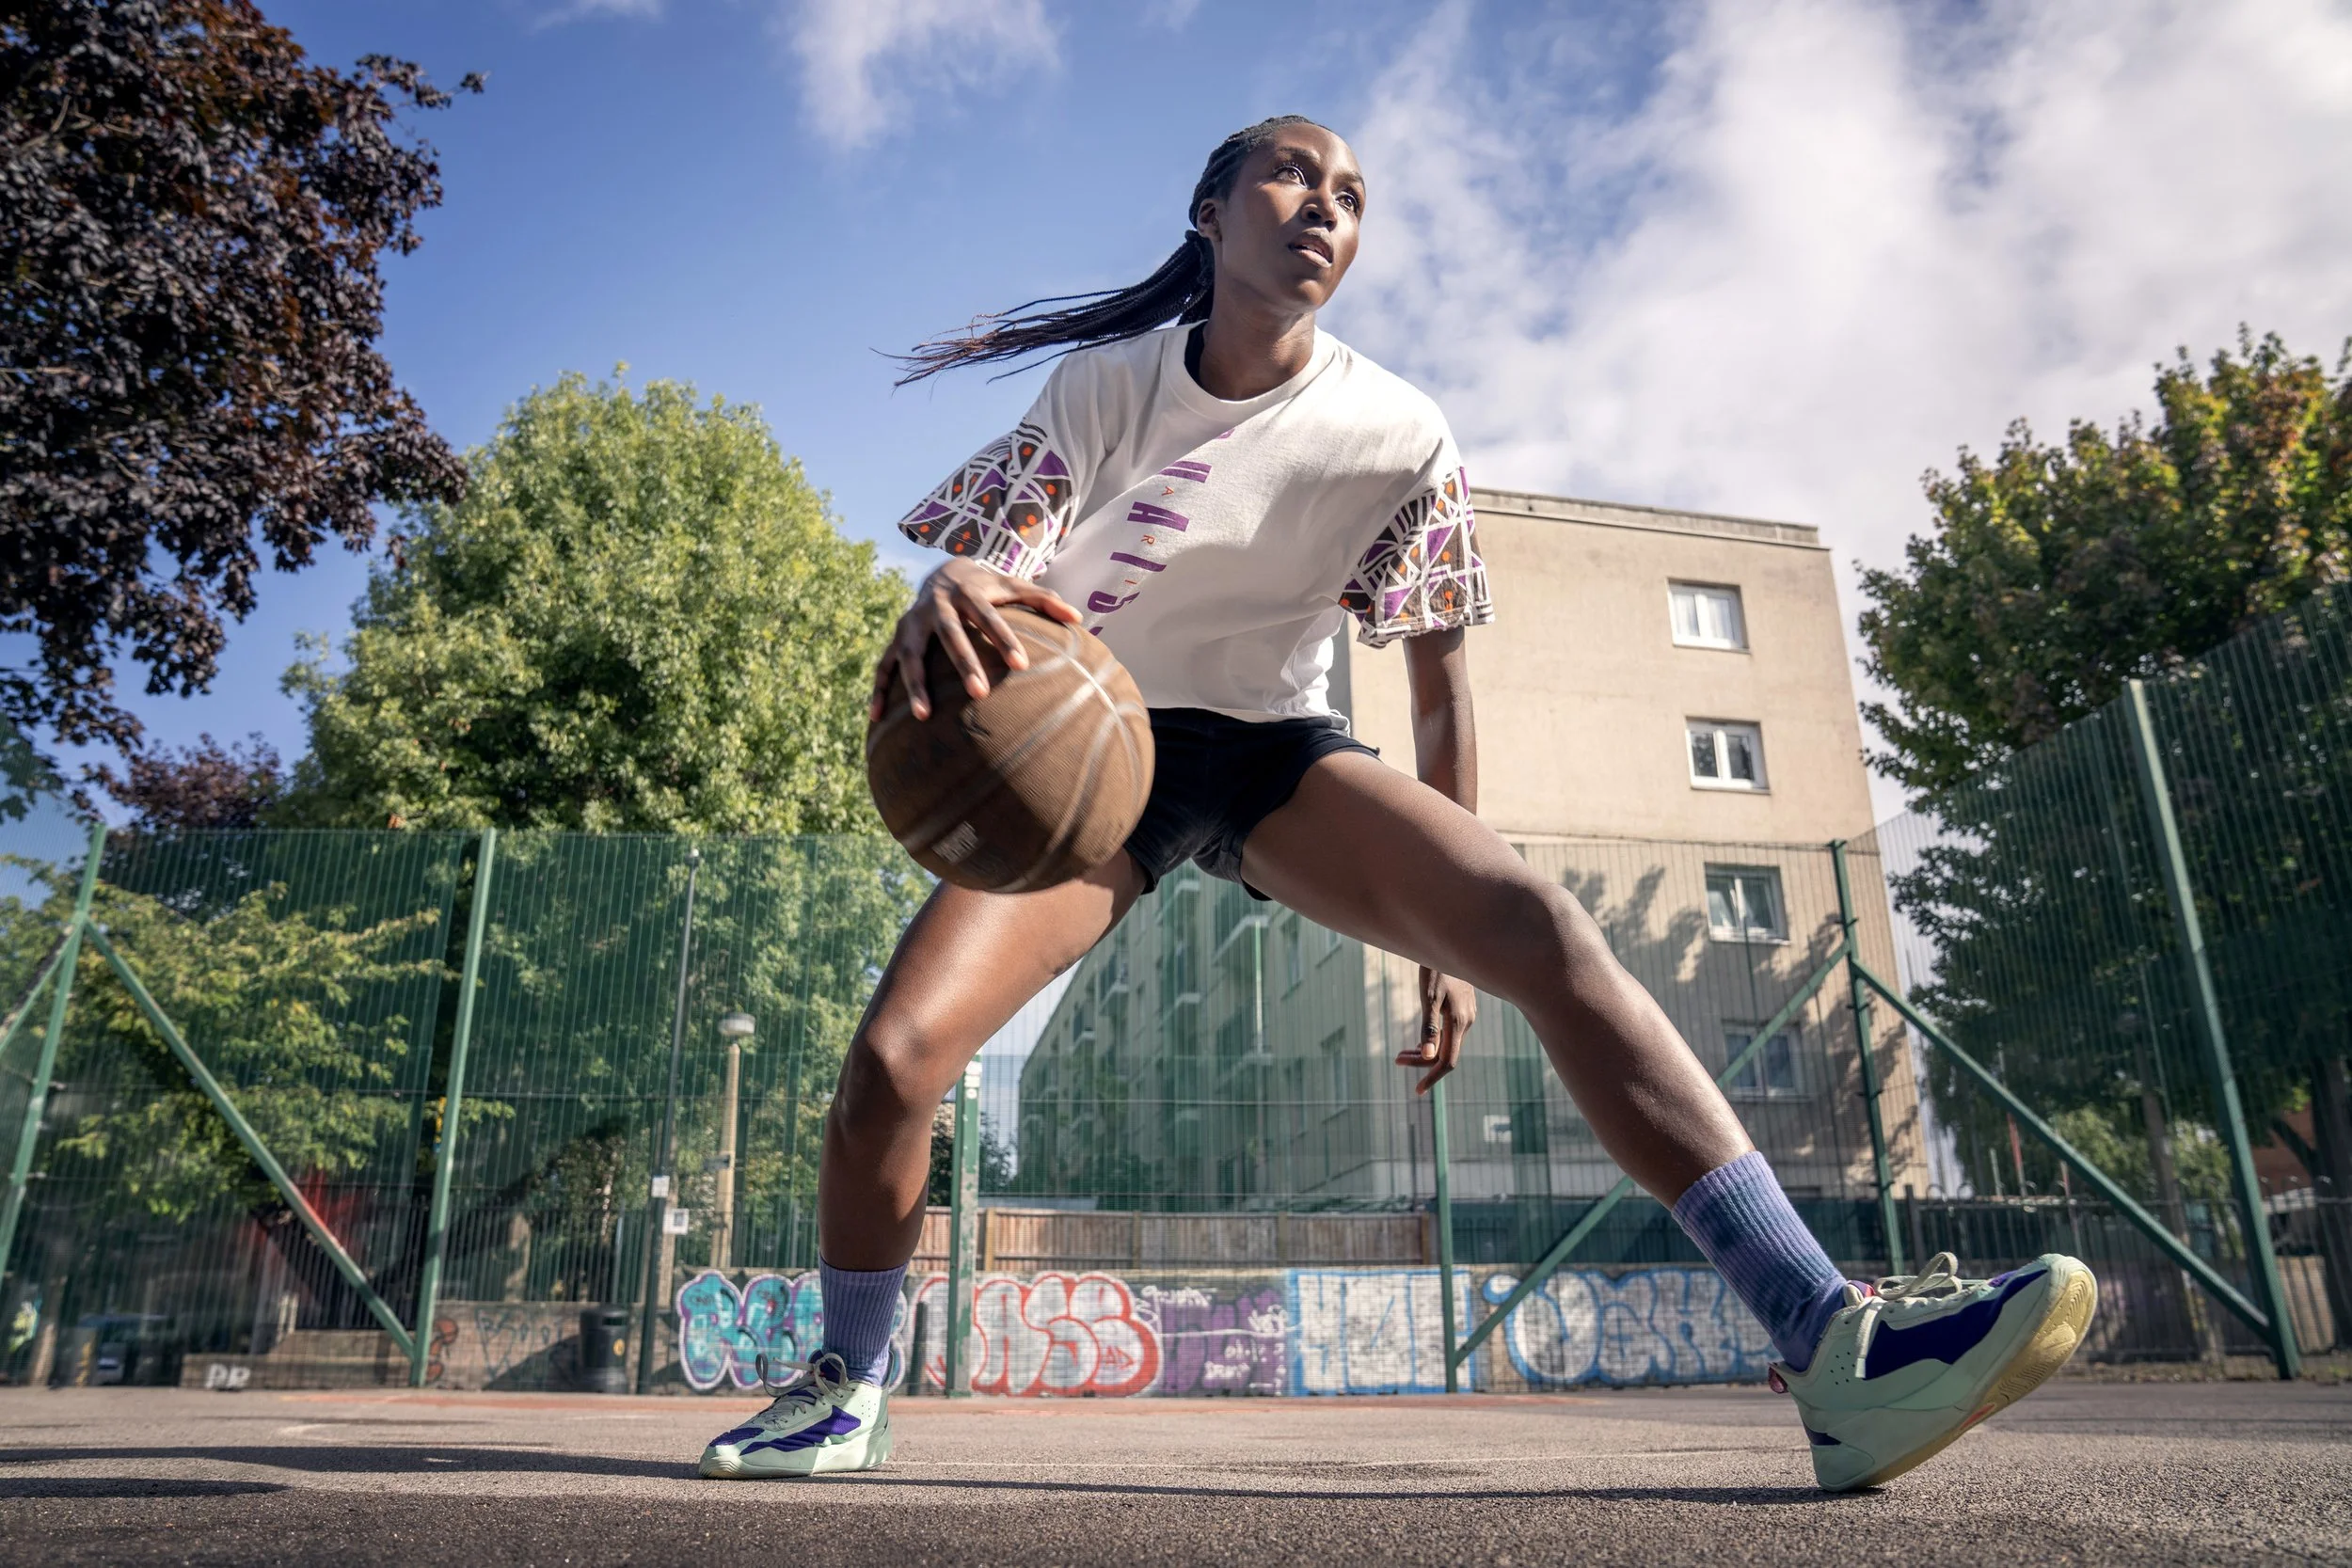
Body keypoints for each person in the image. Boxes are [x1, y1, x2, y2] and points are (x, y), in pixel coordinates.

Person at [696, 116, 2094, 1492]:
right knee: (892, 1063)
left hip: (1273, 750)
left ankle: (1832, 1343)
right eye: (1292, 174)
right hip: (1105, 752)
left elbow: (1437, 689)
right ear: (1212, 213)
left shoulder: (1399, 429)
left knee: (1544, 930)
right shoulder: (1107, 389)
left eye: (1352, 195)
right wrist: (945, 584)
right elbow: (999, 568)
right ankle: (846, 1384)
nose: (1324, 207)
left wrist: (1442, 939)